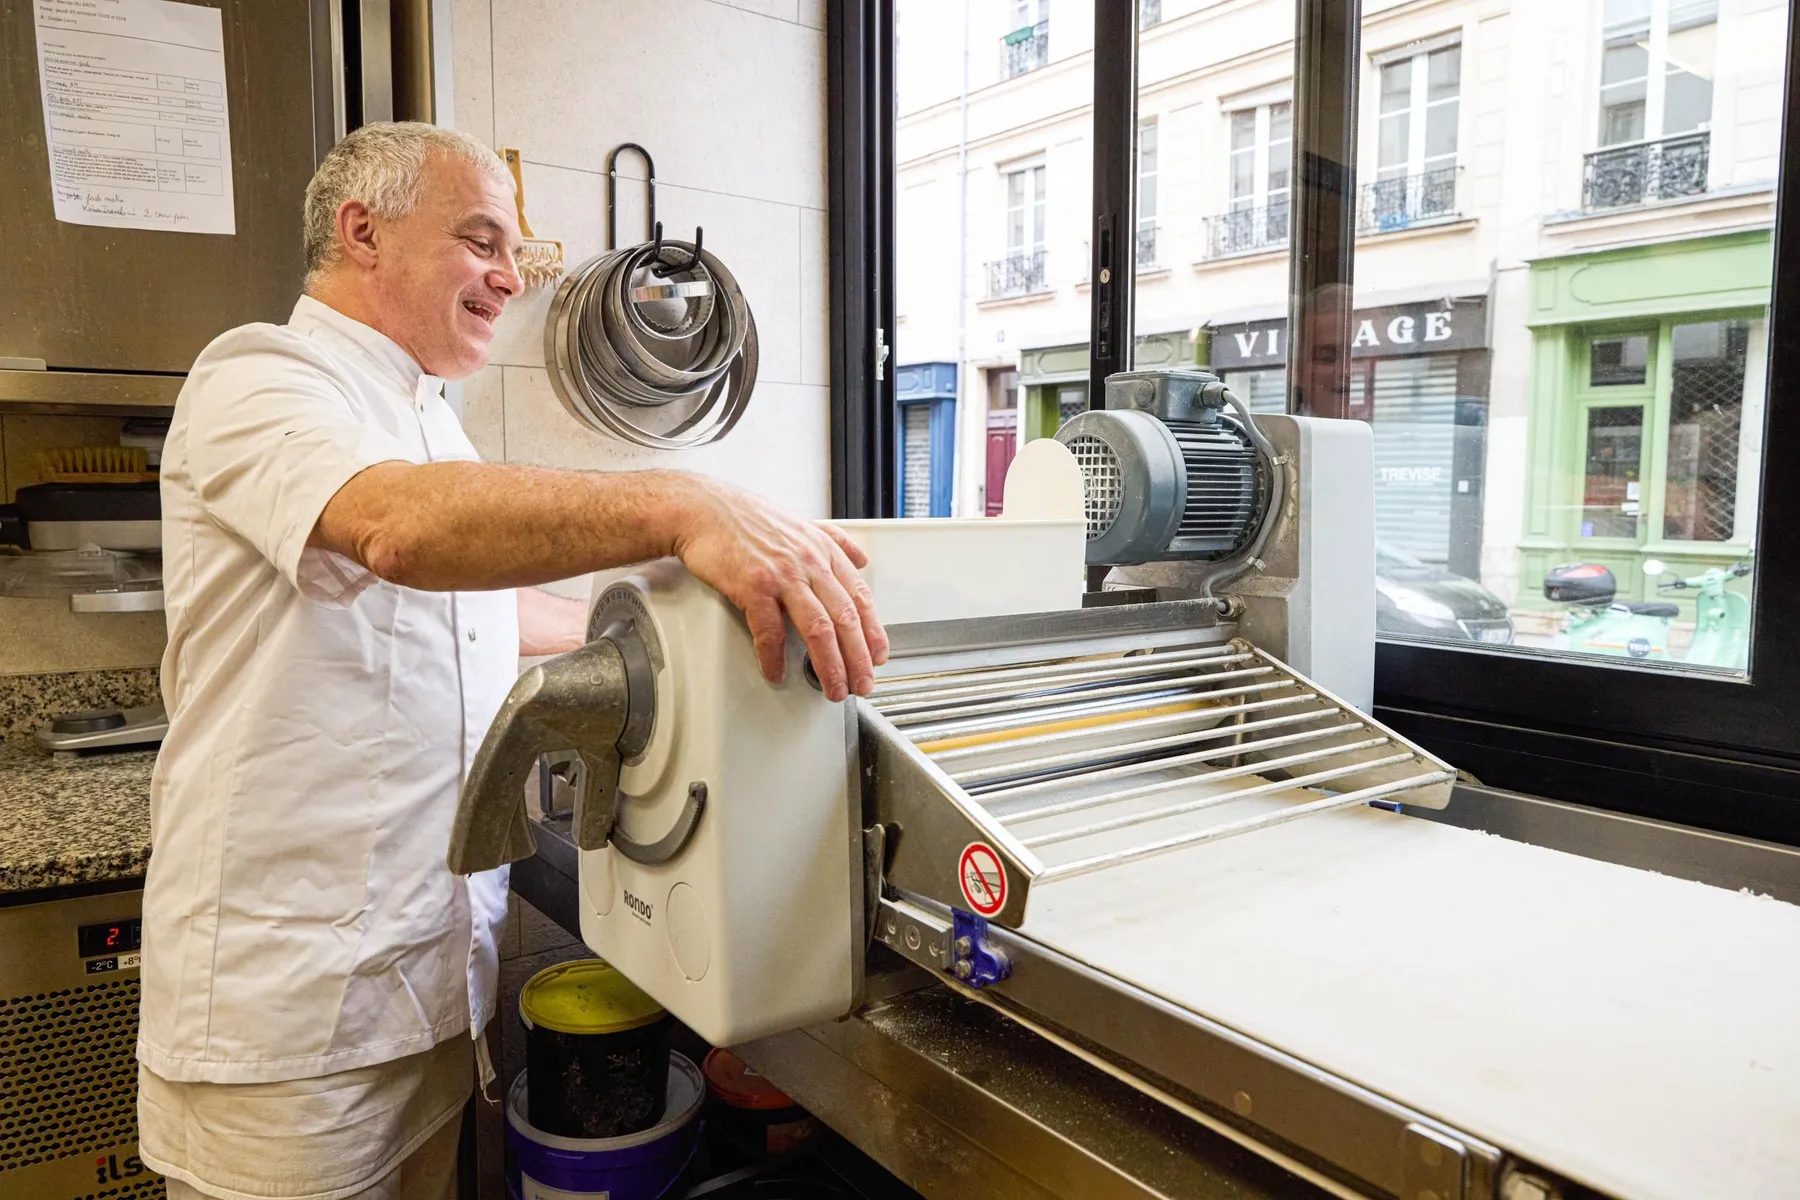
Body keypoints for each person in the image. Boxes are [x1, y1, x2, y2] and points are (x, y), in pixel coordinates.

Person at [136, 121, 888, 1200]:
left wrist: (668, 636)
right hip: (287, 1021)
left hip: (424, 991)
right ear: (364, 233)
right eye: (481, 240)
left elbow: (480, 617)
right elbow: (395, 528)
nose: (507, 274)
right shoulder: (260, 377)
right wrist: (686, 503)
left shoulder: (433, 428)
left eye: (514, 245)